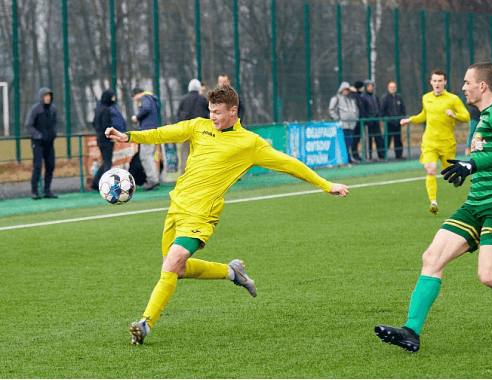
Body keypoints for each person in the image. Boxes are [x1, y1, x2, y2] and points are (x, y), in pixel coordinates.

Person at [105, 85, 349, 345]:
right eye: (210, 111)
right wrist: (128, 136)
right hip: (176, 207)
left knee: (173, 261)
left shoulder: (250, 143)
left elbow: (289, 164)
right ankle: (232, 272)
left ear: (233, 111)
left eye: (218, 112)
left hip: (202, 215)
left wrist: (327, 185)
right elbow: (164, 133)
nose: (212, 117)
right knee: (177, 268)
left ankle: (145, 323)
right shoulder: (199, 126)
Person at [375, 62, 492, 353]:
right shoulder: (485, 116)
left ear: (482, 86)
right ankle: (411, 331)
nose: (462, 87)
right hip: (475, 203)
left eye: (466, 82)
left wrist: (478, 166)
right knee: (431, 258)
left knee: (489, 275)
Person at [400, 70, 470, 214]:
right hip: (429, 142)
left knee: (448, 174)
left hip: (447, 143)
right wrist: (410, 120)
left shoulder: (453, 99)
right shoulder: (426, 98)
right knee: (430, 169)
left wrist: (454, 115)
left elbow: (466, 116)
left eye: (440, 81)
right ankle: (433, 202)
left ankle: (455, 179)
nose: (437, 84)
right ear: (431, 82)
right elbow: (424, 115)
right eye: (435, 81)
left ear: (445, 82)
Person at [26, 87, 58, 199]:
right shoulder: (35, 109)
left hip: (49, 143)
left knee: (50, 166)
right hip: (38, 143)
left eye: (49, 95)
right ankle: (34, 191)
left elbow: (55, 124)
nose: (48, 97)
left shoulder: (53, 110)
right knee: (38, 166)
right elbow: (29, 125)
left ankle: (47, 191)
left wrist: (54, 133)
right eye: (45, 95)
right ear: (41, 97)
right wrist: (38, 135)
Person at [131, 87, 162, 190]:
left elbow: (146, 109)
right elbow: (157, 108)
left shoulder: (144, 98)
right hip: (154, 130)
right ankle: (153, 179)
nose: (135, 99)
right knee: (149, 156)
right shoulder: (152, 98)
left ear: (137, 94)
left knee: (145, 156)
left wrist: (137, 117)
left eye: (134, 96)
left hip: (147, 131)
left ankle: (152, 180)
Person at [177, 79, 209, 173]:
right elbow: (209, 116)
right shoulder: (203, 100)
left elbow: (178, 116)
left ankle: (184, 178)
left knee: (185, 156)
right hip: (200, 132)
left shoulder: (183, 100)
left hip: (186, 132)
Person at [90, 89, 117, 191]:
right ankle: (104, 184)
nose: (113, 99)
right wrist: (112, 135)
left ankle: (95, 182)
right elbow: (107, 126)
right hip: (106, 139)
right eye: (112, 97)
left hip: (100, 138)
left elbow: (94, 123)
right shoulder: (105, 110)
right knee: (107, 163)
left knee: (105, 161)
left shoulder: (98, 108)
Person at [328, 81, 359, 163]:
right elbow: (331, 109)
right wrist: (337, 119)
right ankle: (342, 159)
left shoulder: (351, 99)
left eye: (347, 90)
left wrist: (355, 119)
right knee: (342, 143)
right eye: (345, 89)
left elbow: (356, 110)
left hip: (351, 125)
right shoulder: (336, 98)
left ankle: (348, 158)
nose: (346, 91)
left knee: (349, 143)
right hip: (342, 126)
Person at [380, 80, 406, 160]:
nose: (392, 89)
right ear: (388, 88)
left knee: (398, 139)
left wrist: (401, 118)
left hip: (397, 123)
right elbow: (382, 110)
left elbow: (403, 109)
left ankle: (399, 155)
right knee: (387, 140)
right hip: (389, 123)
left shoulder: (399, 97)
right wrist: (387, 119)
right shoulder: (385, 98)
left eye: (394, 87)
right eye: (391, 87)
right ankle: (383, 156)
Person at [361, 80, 385, 161]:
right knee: (368, 139)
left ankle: (381, 156)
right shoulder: (363, 97)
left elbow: (378, 108)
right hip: (368, 122)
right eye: (369, 86)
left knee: (379, 138)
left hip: (376, 121)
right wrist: (366, 120)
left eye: (372, 86)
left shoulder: (375, 97)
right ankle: (368, 156)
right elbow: (363, 110)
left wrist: (378, 117)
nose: (371, 88)